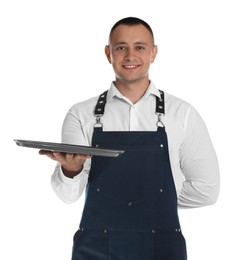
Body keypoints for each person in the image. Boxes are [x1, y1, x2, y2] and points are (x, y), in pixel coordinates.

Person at [40, 17, 220, 260]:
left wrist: (156, 200)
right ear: (108, 53)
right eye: (121, 47)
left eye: (140, 47)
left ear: (153, 53)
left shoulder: (182, 114)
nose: (130, 55)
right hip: (95, 249)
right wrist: (71, 170)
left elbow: (207, 190)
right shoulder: (81, 114)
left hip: (162, 248)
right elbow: (68, 195)